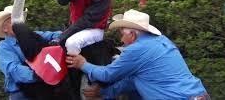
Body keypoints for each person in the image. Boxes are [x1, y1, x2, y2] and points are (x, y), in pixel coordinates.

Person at [66, 9, 210, 100]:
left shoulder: (136, 50)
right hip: (199, 94)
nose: (121, 40)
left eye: (122, 34)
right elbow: (133, 80)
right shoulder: (161, 40)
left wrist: (83, 64)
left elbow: (107, 74)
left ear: (133, 34)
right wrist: (104, 93)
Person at [0, 6, 61, 100]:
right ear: (5, 28)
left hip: (45, 86)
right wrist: (38, 75)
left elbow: (55, 35)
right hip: (20, 92)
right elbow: (13, 69)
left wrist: (59, 39)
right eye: (14, 21)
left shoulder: (34, 34)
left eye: (20, 20)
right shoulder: (4, 46)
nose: (19, 24)